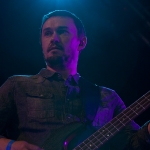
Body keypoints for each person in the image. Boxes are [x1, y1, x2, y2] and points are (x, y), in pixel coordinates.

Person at [0, 10, 150, 150]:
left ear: (82, 42)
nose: (54, 39)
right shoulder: (17, 85)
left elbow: (134, 143)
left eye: (62, 31)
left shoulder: (107, 97)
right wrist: (10, 146)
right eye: (47, 33)